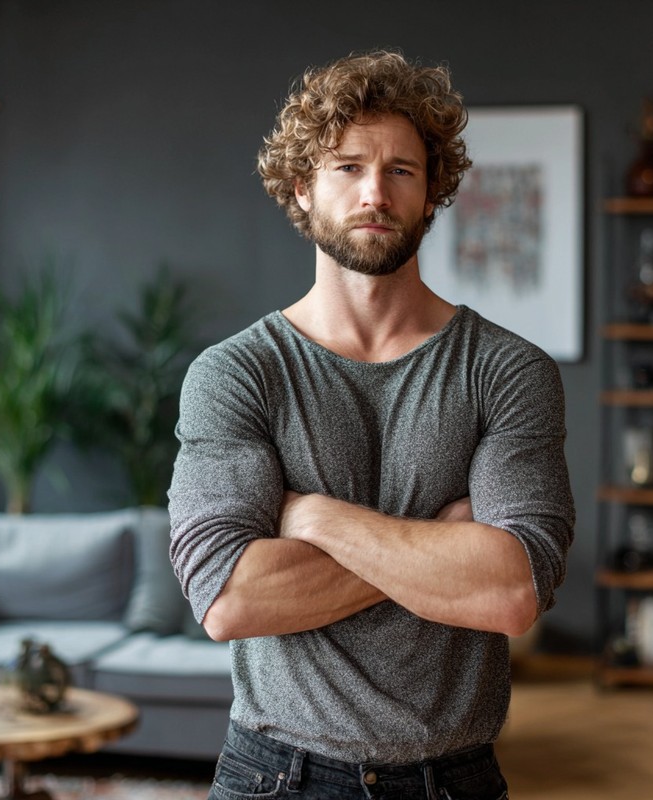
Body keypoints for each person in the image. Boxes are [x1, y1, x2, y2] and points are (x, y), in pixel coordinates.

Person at [169, 49, 574, 800]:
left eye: (401, 171)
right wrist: (444, 540)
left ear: (432, 195)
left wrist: (313, 516)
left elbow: (512, 593)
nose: (374, 193)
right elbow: (229, 600)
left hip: (454, 779)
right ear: (302, 187)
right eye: (347, 167)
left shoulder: (507, 371)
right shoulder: (236, 374)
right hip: (272, 774)